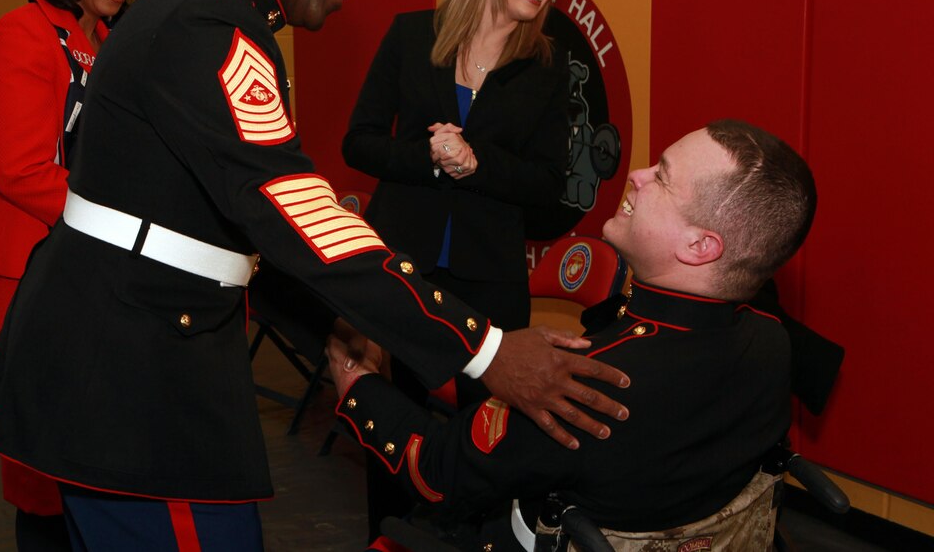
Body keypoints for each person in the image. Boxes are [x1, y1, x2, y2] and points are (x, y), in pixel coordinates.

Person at [0, 0, 631, 550]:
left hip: (114, 358)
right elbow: (297, 215)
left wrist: (331, 321)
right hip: (137, 383)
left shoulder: (203, 7)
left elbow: (222, 222)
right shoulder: (213, 24)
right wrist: (486, 349)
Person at [328, 118, 817, 550]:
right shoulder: (772, 343)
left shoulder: (583, 383)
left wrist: (357, 381)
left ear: (699, 246)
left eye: (661, 178)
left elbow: (434, 472)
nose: (637, 176)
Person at [341, 0, 568, 541]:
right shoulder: (413, 35)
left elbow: (549, 186)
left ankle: (477, 539)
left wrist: (476, 165)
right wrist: (429, 160)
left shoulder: (547, 64)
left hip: (490, 276)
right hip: (401, 266)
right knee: (393, 418)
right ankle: (389, 536)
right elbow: (358, 143)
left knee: (491, 435)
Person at [0, 0, 142, 549]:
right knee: (46, 462)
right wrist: (130, 226)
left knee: (94, 452)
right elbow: (20, 172)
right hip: (28, 270)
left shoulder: (106, 41)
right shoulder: (22, 33)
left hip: (91, 263)